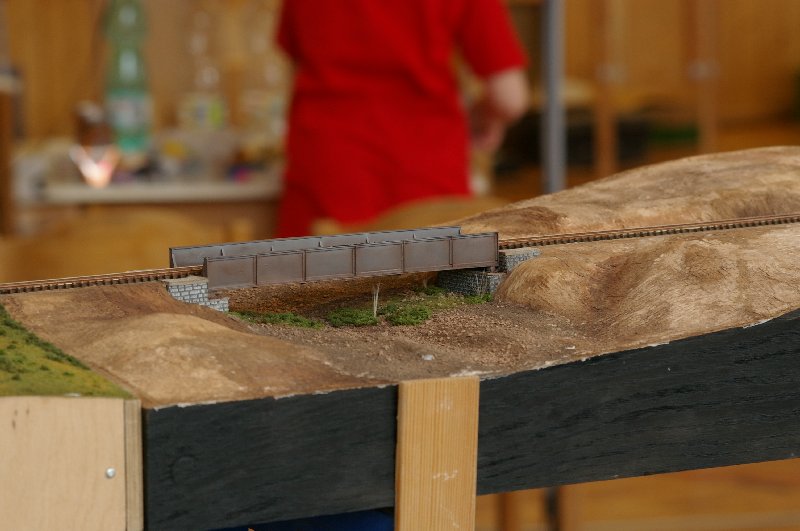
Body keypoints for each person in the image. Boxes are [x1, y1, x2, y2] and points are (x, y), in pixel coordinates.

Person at [276, 0, 529, 237]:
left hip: (329, 167)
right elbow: (510, 98)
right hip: (426, 170)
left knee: (313, 266)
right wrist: (482, 118)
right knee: (435, 267)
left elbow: (295, 58)